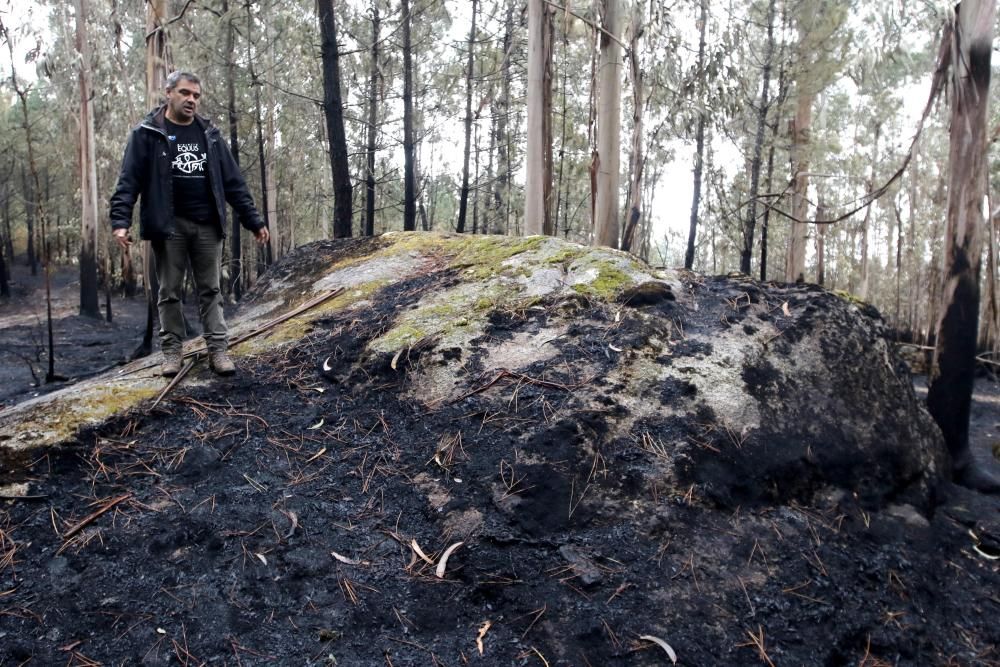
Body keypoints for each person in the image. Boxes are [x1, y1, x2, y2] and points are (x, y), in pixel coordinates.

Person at [109, 70, 269, 377]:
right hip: (169, 227)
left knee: (210, 289)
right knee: (169, 291)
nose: (191, 100)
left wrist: (254, 220)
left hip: (207, 225)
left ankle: (218, 352)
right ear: (168, 93)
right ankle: (172, 354)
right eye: (185, 93)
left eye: (196, 96)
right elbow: (129, 181)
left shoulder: (210, 134)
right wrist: (120, 221)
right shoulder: (147, 134)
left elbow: (233, 182)